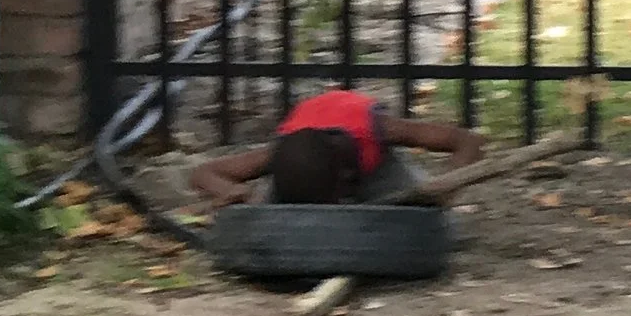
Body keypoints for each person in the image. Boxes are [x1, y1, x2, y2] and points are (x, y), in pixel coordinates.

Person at [188, 89, 483, 211]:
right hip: (316, 168)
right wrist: (227, 191)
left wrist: (445, 192)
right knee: (263, 205)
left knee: (417, 203)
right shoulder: (281, 152)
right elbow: (205, 172)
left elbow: (467, 141)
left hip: (375, 169)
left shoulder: (378, 130)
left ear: (345, 175)